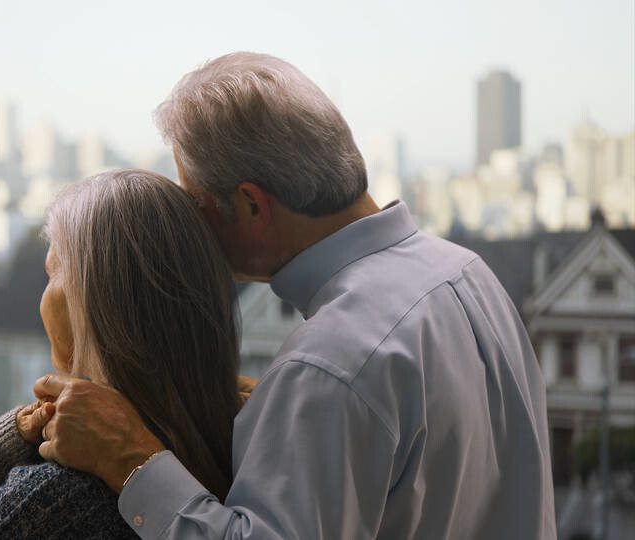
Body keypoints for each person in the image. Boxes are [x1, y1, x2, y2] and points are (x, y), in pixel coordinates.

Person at [33, 52, 556, 539]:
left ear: (252, 205)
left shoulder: (329, 364)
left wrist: (130, 458)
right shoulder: (467, 275)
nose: (191, 229)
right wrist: (281, 410)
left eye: (195, 205)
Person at [0, 169, 242, 539]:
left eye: (51, 273)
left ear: (89, 303)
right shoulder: (245, 458)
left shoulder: (52, 499)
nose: (42, 298)